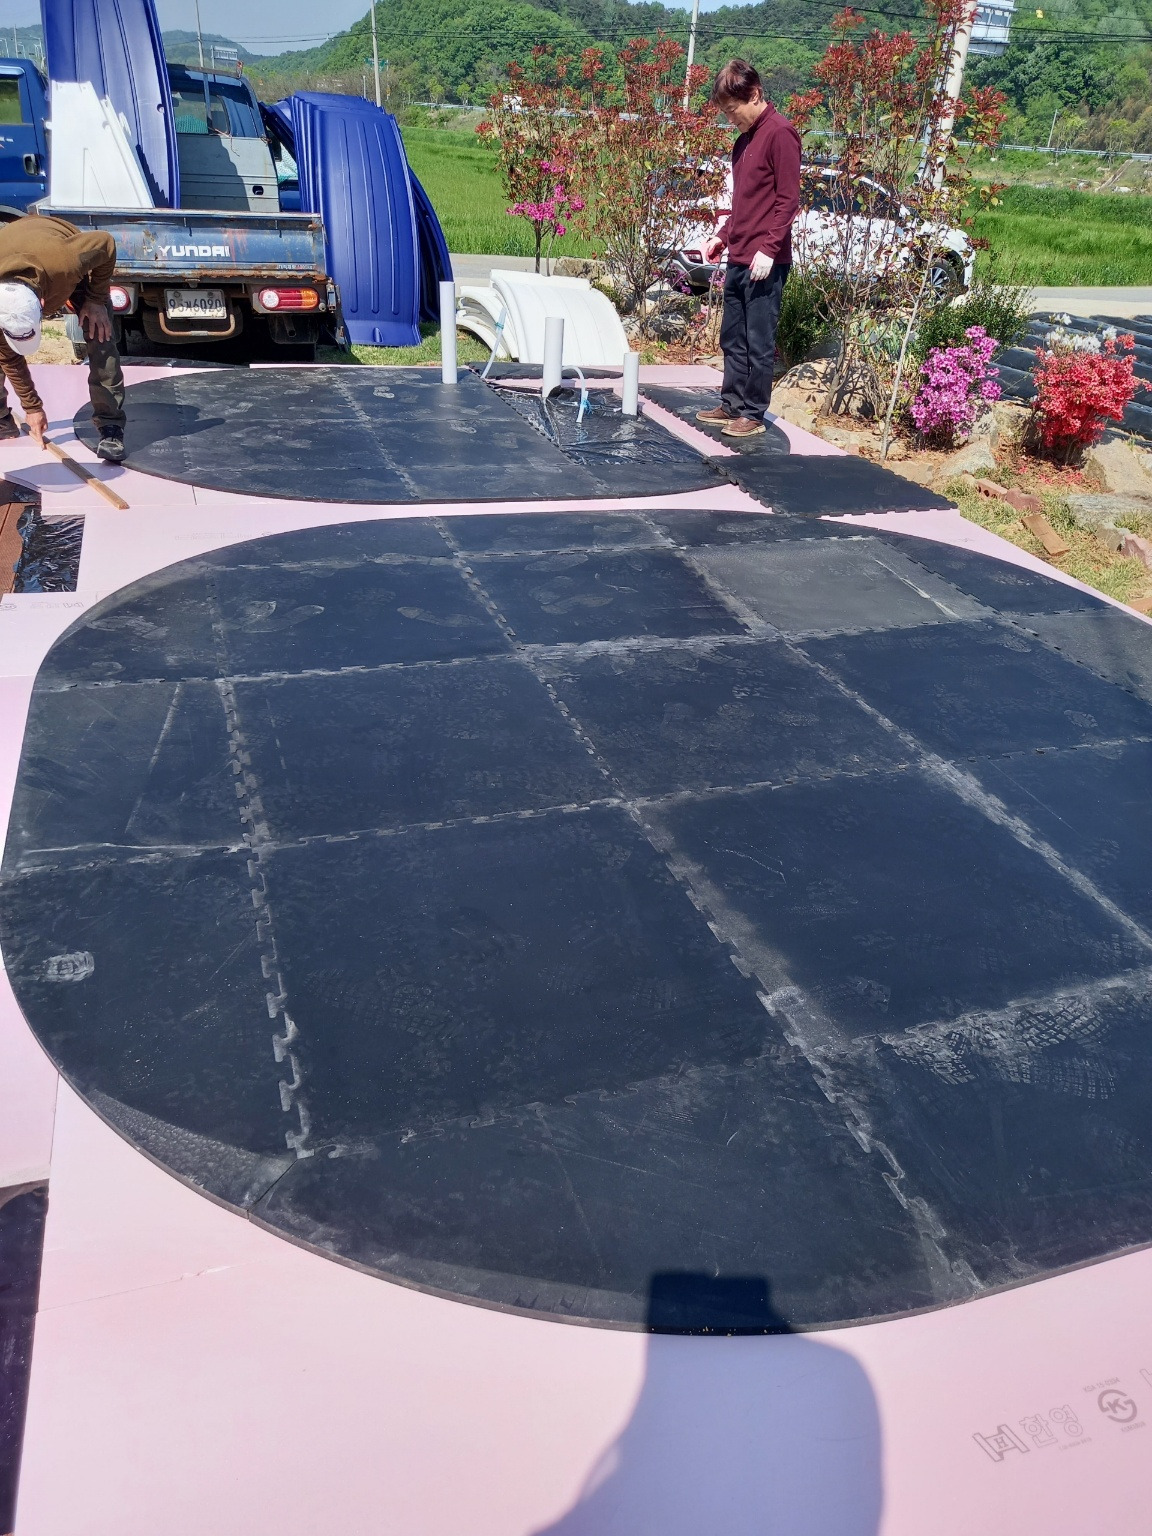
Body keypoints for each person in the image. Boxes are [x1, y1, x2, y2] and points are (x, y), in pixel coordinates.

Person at [698, 60, 801, 439]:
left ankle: (753, 413)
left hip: (765, 262)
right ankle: (732, 403)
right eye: (725, 113)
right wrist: (722, 235)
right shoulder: (742, 142)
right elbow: (743, 202)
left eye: (732, 110)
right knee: (732, 337)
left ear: (754, 95)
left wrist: (770, 249)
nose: (730, 119)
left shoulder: (781, 133)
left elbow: (788, 201)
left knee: (758, 340)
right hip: (739, 255)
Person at [0, 214, 126, 461]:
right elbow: (10, 358)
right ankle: (2, 420)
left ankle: (111, 427)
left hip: (58, 254)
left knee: (99, 334)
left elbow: (106, 243)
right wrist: (32, 407)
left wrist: (96, 299)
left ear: (43, 304)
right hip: (19, 248)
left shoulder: (66, 262)